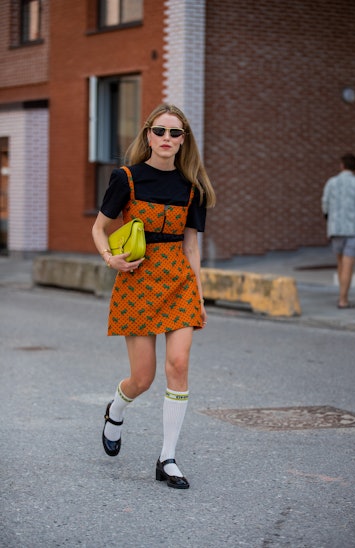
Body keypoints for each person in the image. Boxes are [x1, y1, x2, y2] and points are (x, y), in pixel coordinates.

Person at [92, 104, 216, 489]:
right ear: (148, 135)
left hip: (178, 283)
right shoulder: (126, 178)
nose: (167, 139)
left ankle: (168, 458)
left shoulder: (192, 187)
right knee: (142, 379)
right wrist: (111, 259)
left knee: (178, 365)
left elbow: (191, 247)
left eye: (175, 133)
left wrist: (198, 295)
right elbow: (100, 228)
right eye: (160, 131)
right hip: (139, 282)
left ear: (183, 141)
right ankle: (115, 410)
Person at [321, 153, 355, 309]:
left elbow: (325, 203)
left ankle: (341, 295)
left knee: (340, 263)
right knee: (348, 265)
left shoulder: (331, 182)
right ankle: (343, 300)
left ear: (341, 165)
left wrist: (330, 220)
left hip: (336, 229)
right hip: (354, 229)